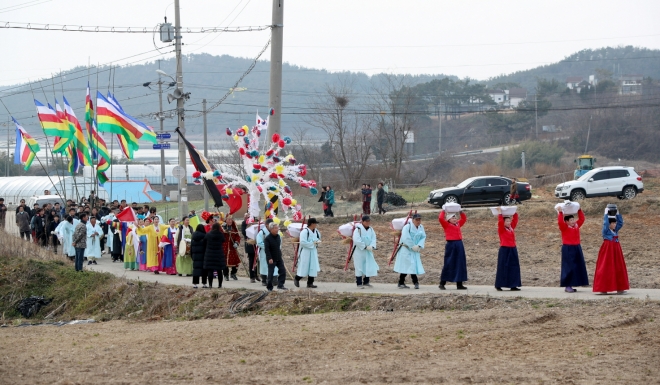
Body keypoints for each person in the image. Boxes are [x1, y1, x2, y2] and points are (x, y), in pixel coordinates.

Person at [593, 209, 629, 294]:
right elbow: (605, 224)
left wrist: (618, 214)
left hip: (616, 251)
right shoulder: (606, 231)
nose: (614, 224)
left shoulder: (615, 231)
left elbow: (621, 223)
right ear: (609, 224)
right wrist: (606, 214)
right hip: (608, 251)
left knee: (618, 267)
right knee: (606, 267)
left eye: (614, 223)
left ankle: (620, 288)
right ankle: (603, 288)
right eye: (612, 223)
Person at [557, 206, 589, 293]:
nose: (573, 221)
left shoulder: (576, 226)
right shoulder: (564, 227)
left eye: (573, 220)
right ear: (566, 222)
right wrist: (560, 212)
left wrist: (579, 209)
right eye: (570, 220)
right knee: (568, 267)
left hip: (577, 247)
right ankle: (567, 285)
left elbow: (582, 219)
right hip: (568, 248)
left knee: (578, 266)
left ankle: (576, 283)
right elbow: (560, 222)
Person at [393, 213, 426, 289]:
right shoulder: (407, 227)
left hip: (415, 250)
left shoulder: (421, 227)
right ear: (413, 220)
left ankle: (401, 282)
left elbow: (423, 237)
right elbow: (406, 238)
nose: (418, 221)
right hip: (406, 249)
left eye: (419, 219)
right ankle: (415, 282)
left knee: (412, 265)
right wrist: (412, 246)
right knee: (409, 265)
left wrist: (419, 245)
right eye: (416, 219)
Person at [438, 210, 468, 290]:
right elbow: (441, 219)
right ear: (448, 220)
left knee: (460, 263)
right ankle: (442, 283)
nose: (455, 219)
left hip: (459, 244)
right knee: (449, 263)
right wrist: (443, 211)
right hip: (451, 245)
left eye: (455, 217)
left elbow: (464, 219)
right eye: (452, 218)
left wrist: (461, 212)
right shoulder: (446, 225)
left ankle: (459, 284)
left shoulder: (458, 224)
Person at [494, 208, 521, 291]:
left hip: (513, 248)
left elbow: (515, 220)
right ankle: (499, 284)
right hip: (505, 249)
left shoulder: (511, 228)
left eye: (509, 221)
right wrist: (499, 213)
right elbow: (500, 222)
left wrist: (514, 212)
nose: (509, 223)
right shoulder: (501, 229)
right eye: (507, 221)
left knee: (514, 267)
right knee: (503, 267)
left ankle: (513, 285)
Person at [352, 215, 379, 288]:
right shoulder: (358, 229)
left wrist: (371, 246)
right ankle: (359, 283)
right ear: (362, 222)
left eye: (369, 221)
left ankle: (366, 281)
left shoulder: (371, 229)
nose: (368, 223)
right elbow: (357, 240)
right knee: (359, 266)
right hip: (359, 251)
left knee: (368, 265)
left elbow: (374, 238)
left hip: (368, 251)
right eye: (366, 221)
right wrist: (365, 246)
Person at [294, 217, 321, 288]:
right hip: (305, 251)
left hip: (313, 251)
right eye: (315, 223)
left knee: (312, 266)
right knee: (304, 266)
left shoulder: (317, 231)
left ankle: (310, 283)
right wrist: (312, 243)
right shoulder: (305, 232)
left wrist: (317, 242)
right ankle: (297, 278)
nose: (316, 225)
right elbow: (303, 242)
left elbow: (318, 239)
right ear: (312, 224)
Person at [264, 222, 287, 291]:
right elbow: (267, 250)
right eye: (275, 228)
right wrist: (269, 258)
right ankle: (269, 287)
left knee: (283, 271)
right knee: (271, 273)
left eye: (277, 228)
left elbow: (278, 247)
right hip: (271, 258)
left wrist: (280, 255)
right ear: (271, 229)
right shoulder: (267, 239)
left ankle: (280, 285)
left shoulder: (278, 237)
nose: (277, 229)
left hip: (278, 257)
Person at [204, 222, 226, 288]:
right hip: (219, 254)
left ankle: (210, 285)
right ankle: (220, 285)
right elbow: (223, 240)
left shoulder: (208, 234)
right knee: (219, 270)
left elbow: (204, 241)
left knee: (210, 270)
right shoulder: (221, 234)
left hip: (210, 254)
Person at [256, 219, 276, 285]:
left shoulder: (275, 232)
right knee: (264, 265)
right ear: (266, 225)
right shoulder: (262, 232)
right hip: (264, 252)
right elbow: (259, 242)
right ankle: (264, 280)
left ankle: (273, 279)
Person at [221, 216, 242, 281]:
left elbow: (237, 237)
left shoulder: (234, 228)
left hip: (232, 247)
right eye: (228, 220)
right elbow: (220, 235)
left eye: (231, 220)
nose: (230, 221)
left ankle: (233, 273)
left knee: (235, 261)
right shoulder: (222, 227)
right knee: (225, 262)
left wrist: (236, 243)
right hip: (225, 247)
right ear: (226, 220)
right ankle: (226, 275)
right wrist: (223, 229)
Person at [241, 213, 259, 283]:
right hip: (249, 243)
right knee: (252, 260)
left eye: (248, 216)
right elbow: (243, 232)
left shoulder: (255, 222)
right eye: (246, 216)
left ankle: (256, 274)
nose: (246, 217)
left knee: (257, 260)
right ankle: (252, 276)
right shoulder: (244, 223)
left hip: (256, 243)